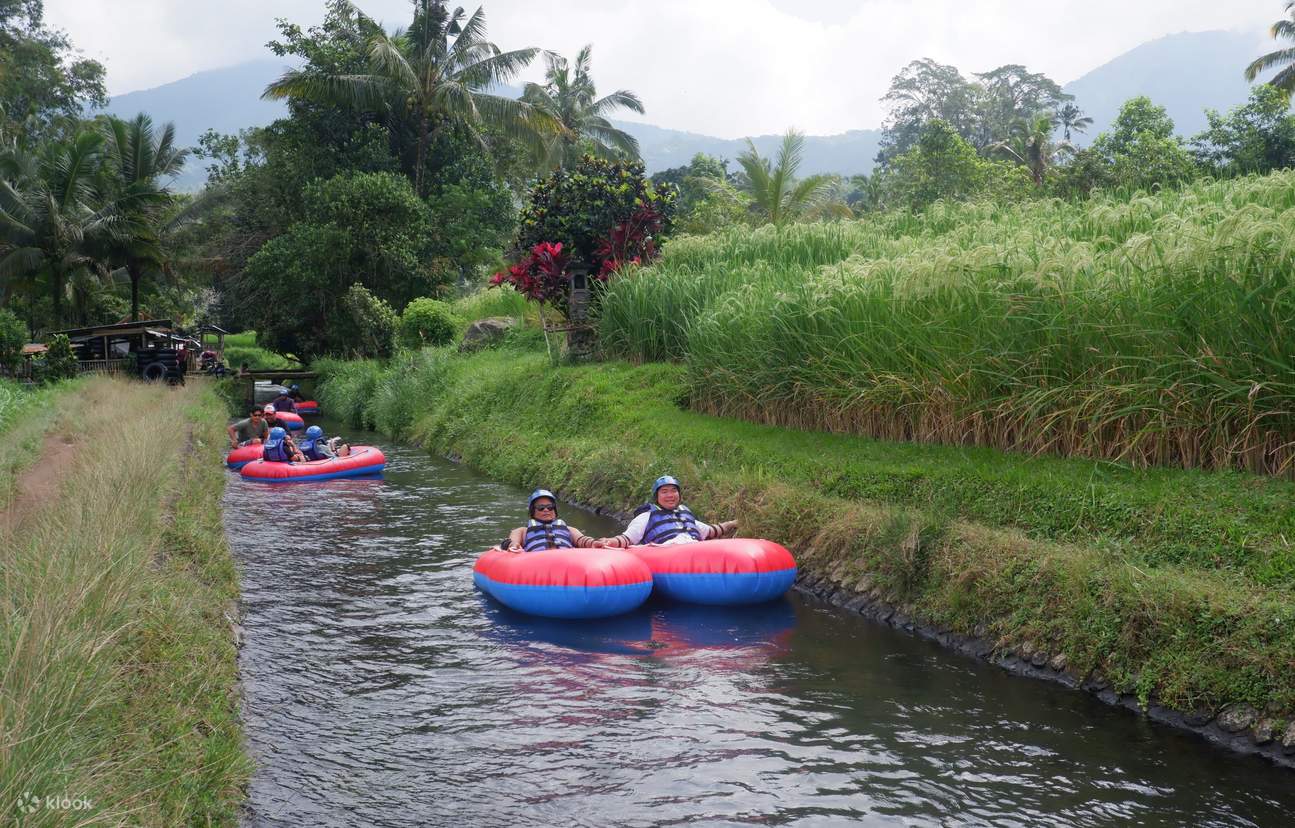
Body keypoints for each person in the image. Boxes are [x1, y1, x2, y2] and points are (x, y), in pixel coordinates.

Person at [601, 475, 736, 547]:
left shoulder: (684, 514)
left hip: (695, 549)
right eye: (664, 492)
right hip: (667, 553)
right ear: (657, 497)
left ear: (679, 494)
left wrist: (732, 523)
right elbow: (627, 539)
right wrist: (609, 542)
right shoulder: (646, 517)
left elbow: (711, 531)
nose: (670, 495)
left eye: (673, 491)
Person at [500, 489, 608, 552]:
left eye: (550, 507)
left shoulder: (569, 529)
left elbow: (583, 540)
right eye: (541, 507)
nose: (546, 510)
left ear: (554, 510)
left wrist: (594, 543)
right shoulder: (522, 531)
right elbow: (513, 542)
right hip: (535, 564)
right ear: (533, 511)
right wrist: (513, 546)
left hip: (567, 562)